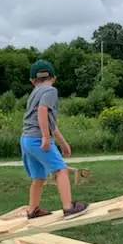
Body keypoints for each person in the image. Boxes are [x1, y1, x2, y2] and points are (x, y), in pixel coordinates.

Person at [20, 59, 89, 219]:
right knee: (61, 170)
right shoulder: (50, 91)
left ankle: (33, 210)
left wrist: (62, 143)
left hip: (27, 139)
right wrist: (45, 136)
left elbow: (50, 123)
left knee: (39, 177)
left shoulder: (34, 93)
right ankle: (69, 207)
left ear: (32, 80)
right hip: (38, 138)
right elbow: (42, 112)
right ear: (54, 78)